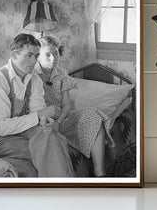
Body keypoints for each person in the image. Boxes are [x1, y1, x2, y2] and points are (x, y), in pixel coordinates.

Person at [0, 33, 74, 177]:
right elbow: (2, 127)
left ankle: (62, 188)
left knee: (52, 135)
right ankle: (62, 190)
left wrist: (45, 121)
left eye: (36, 55)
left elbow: (38, 111)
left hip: (21, 130)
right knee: (47, 148)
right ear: (14, 55)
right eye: (29, 55)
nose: (34, 61)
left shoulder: (34, 80)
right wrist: (40, 115)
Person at [34, 36, 108, 177]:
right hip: (42, 120)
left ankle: (100, 173)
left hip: (62, 118)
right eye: (47, 55)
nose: (53, 58)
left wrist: (59, 122)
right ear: (38, 57)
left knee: (93, 115)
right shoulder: (32, 74)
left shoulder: (61, 74)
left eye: (55, 53)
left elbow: (66, 105)